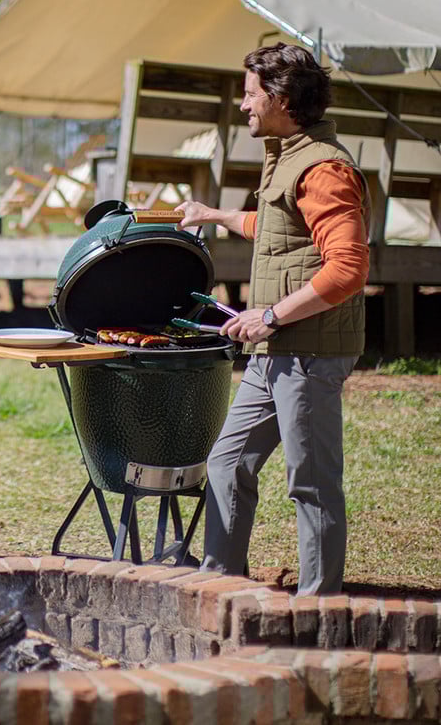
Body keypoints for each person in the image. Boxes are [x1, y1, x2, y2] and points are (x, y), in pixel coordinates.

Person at [175, 43, 370, 596]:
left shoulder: (325, 168)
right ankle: (222, 588)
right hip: (276, 348)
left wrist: (270, 315)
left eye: (249, 94)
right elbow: (281, 229)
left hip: (306, 348)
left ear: (281, 98)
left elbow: (348, 268)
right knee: (227, 462)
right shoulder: (291, 153)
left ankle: (318, 604)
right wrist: (213, 215)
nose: (243, 106)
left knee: (310, 482)